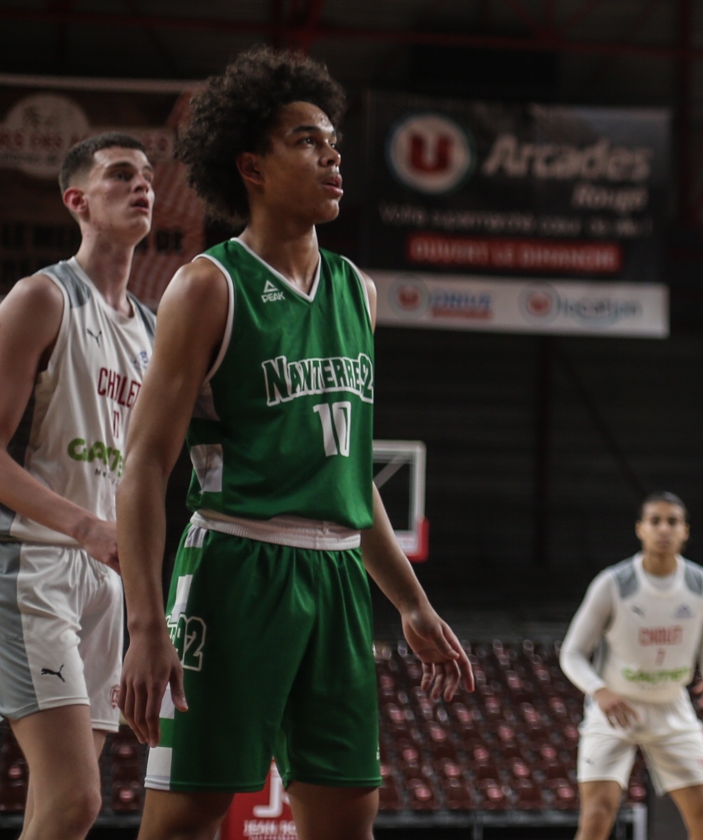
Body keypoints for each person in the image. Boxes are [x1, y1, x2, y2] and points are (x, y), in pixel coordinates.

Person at [116, 47, 475, 840]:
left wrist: (410, 602)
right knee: (185, 817)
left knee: (350, 817)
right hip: (235, 566)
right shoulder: (209, 285)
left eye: (333, 140)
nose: (332, 154)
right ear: (250, 165)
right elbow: (142, 464)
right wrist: (146, 625)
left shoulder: (358, 290)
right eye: (307, 140)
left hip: (339, 574)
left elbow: (352, 473)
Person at [0, 135, 157, 840]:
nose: (143, 187)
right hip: (27, 560)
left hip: (103, 578)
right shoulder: (41, 297)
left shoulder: (154, 333)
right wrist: (85, 526)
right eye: (121, 175)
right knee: (77, 798)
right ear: (77, 200)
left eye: (148, 178)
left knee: (57, 808)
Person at [561, 492, 703, 840]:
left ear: (685, 531)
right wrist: (599, 691)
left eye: (672, 522)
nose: (663, 529)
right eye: (655, 521)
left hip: (671, 706)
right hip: (615, 708)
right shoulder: (613, 583)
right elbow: (572, 652)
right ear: (640, 529)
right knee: (597, 814)